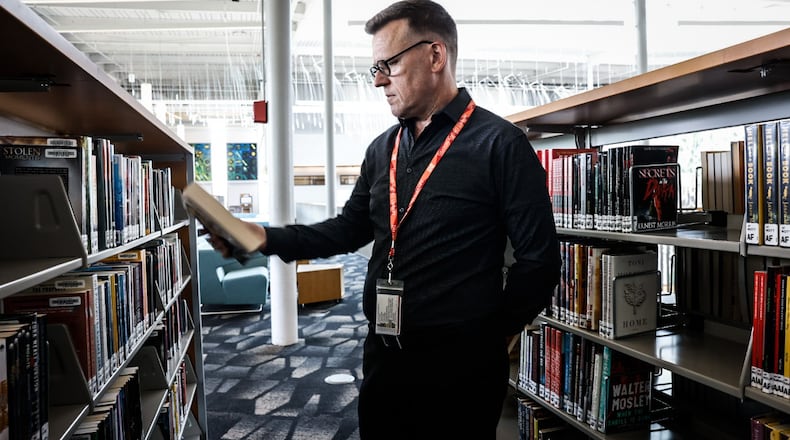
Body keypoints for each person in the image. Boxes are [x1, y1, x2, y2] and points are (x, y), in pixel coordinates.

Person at [206, 1, 561, 438]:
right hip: (384, 354)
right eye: (375, 67)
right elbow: (347, 230)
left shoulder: (500, 144)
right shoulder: (382, 149)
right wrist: (262, 237)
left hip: (461, 369)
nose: (378, 79)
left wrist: (489, 336)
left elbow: (539, 261)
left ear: (435, 56)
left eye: (389, 63)